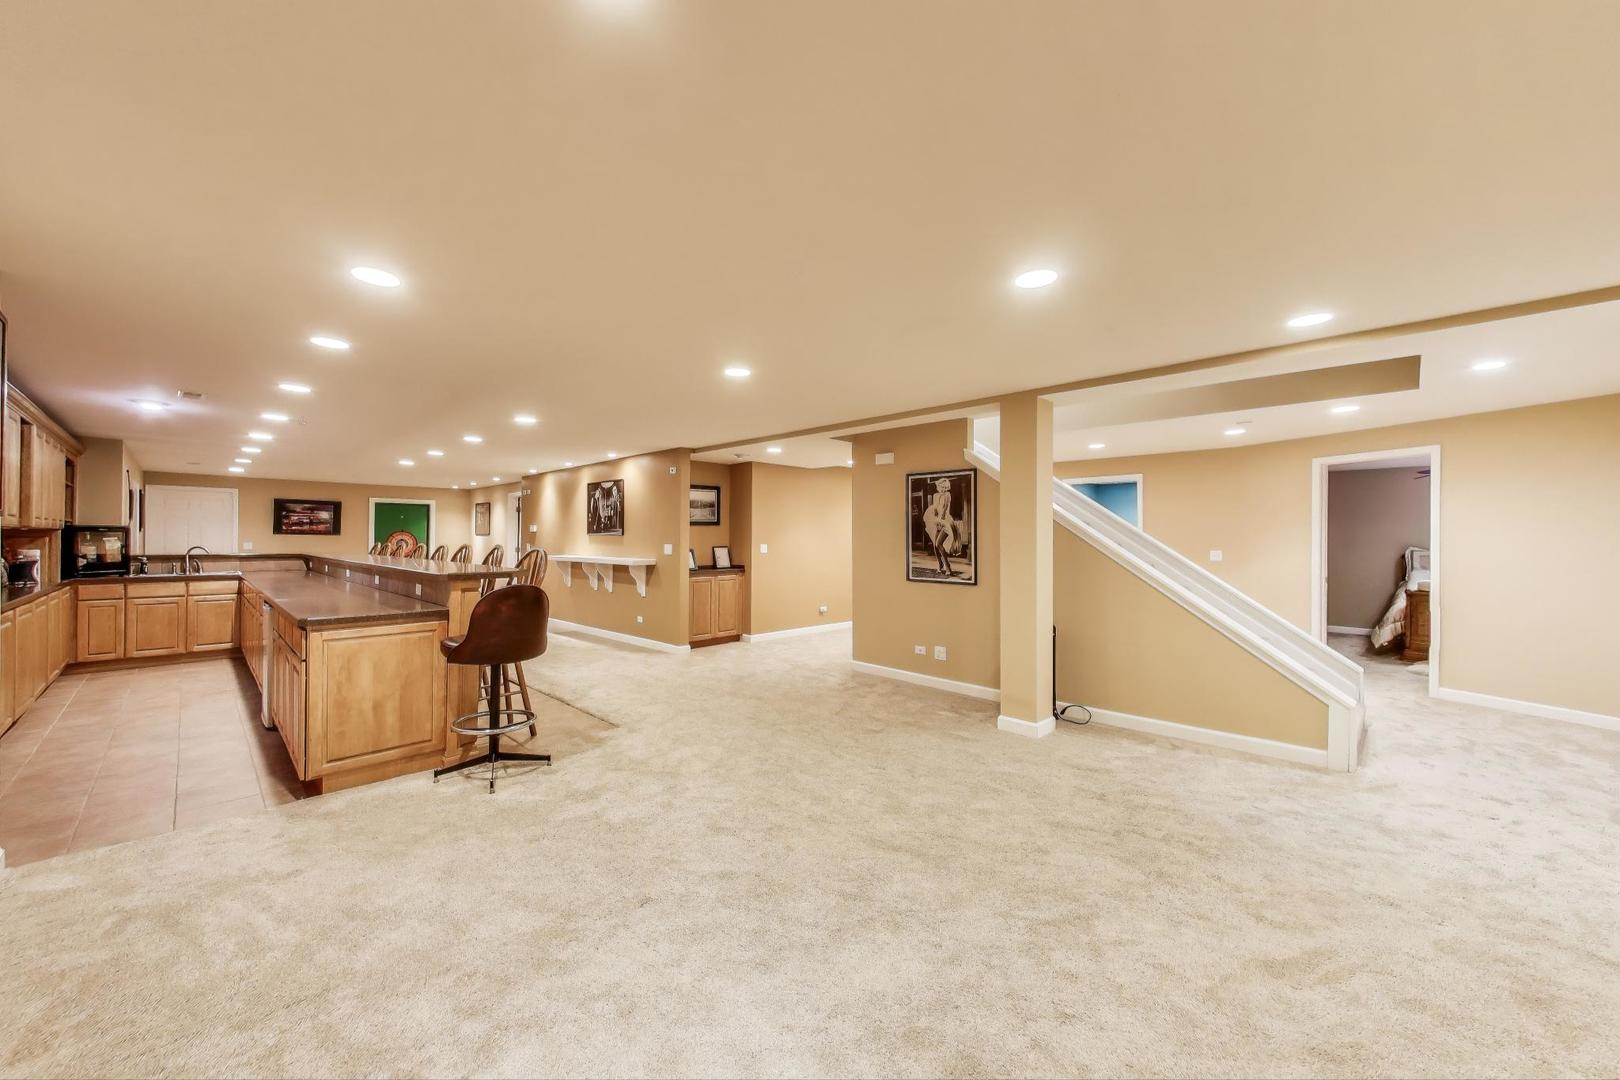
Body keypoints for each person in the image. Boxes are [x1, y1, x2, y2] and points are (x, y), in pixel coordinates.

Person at [922, 477, 961, 577]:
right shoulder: (935, 495)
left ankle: (947, 566)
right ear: (938, 486)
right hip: (937, 520)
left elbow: (944, 510)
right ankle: (940, 564)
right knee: (935, 544)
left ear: (947, 487)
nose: (943, 489)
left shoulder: (948, 495)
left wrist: (940, 522)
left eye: (945, 487)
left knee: (939, 543)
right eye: (941, 487)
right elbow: (935, 508)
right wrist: (934, 517)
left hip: (945, 521)